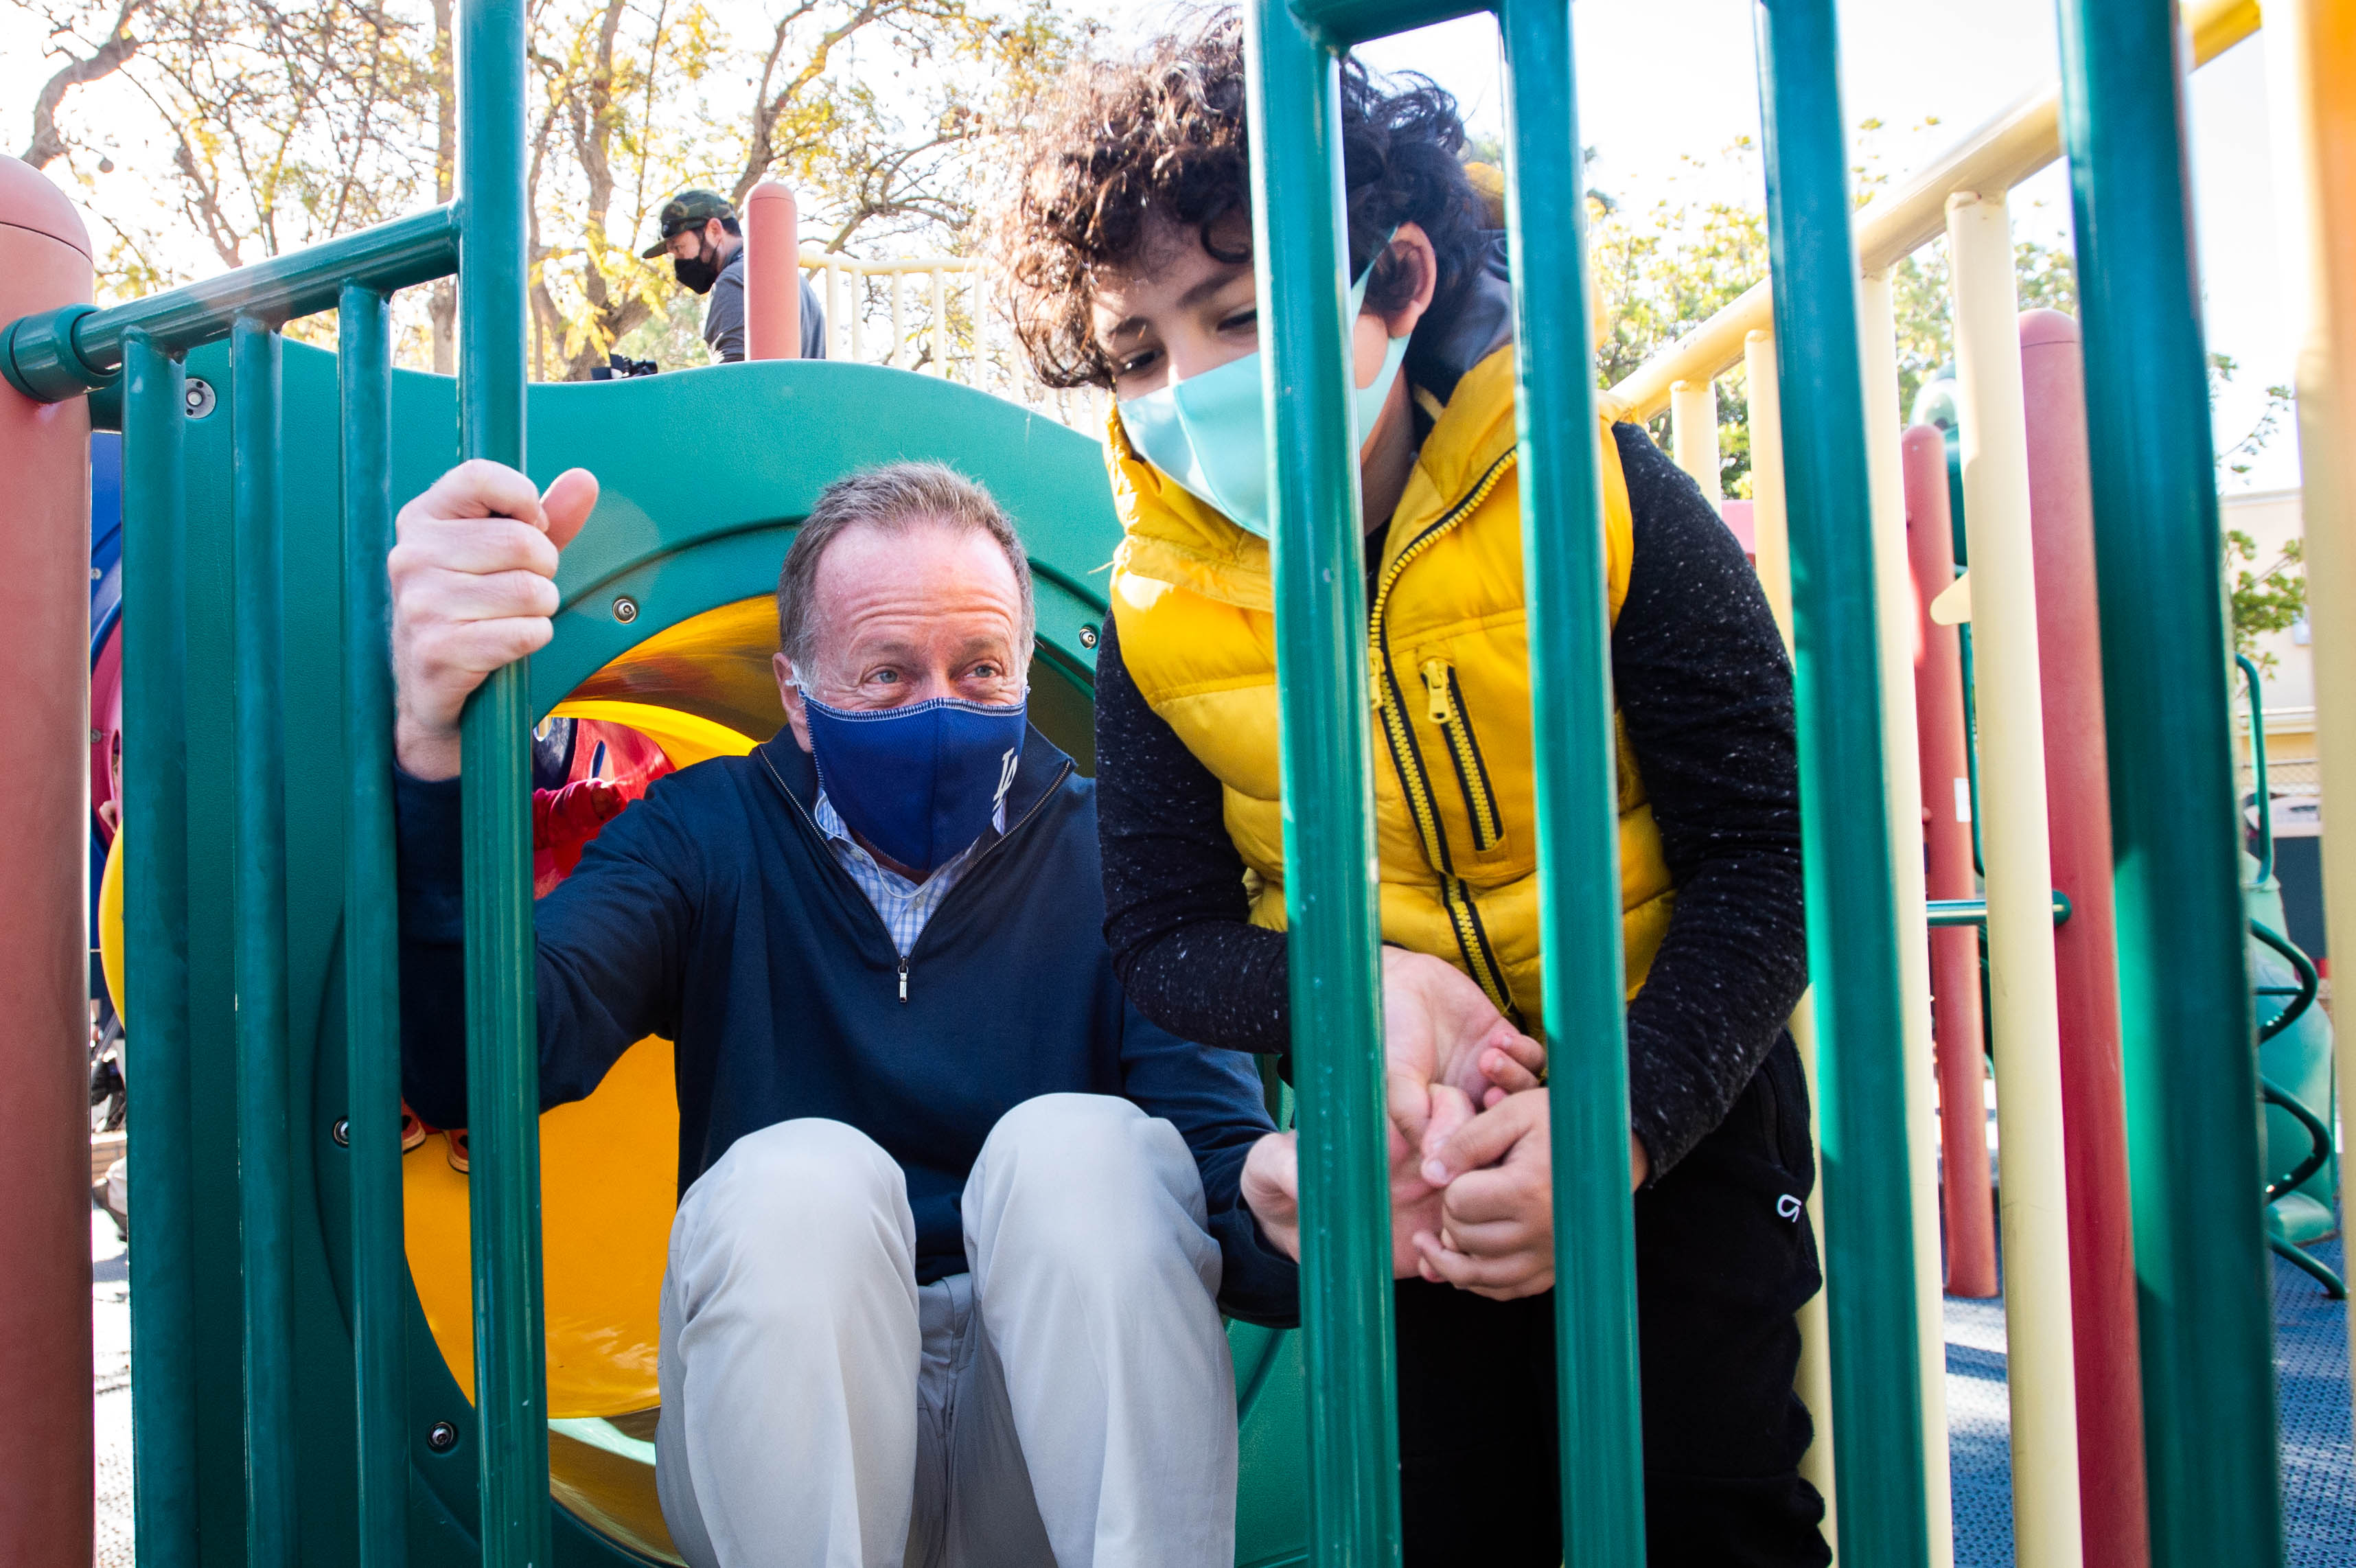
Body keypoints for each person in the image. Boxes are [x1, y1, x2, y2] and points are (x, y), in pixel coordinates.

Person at [1001, 18, 1827, 1567]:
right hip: (1410, 1142)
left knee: (1706, 1509)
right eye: (1137, 353)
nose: (1189, 383)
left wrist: (1623, 1118)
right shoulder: (1155, 609)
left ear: (1394, 285)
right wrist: (1361, 985)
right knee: (1450, 1518)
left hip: (1678, 1107)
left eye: (1237, 315)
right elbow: (1165, 929)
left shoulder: (1594, 493)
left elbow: (1769, 845)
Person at [387, 457, 1315, 1568]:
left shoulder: (1108, 856)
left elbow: (1213, 1185)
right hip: (789, 1433)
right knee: (797, 1174)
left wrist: (1288, 1208)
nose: (938, 708)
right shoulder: (709, 833)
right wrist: (436, 749)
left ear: (1026, 669)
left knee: (1089, 1149)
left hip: (1039, 1437)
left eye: (979, 669)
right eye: (883, 673)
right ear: (796, 694)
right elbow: (487, 1056)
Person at [645, 187, 829, 363]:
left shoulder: (733, 281)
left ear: (715, 230)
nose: (678, 262)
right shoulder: (795, 279)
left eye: (678, 248)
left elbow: (733, 383)